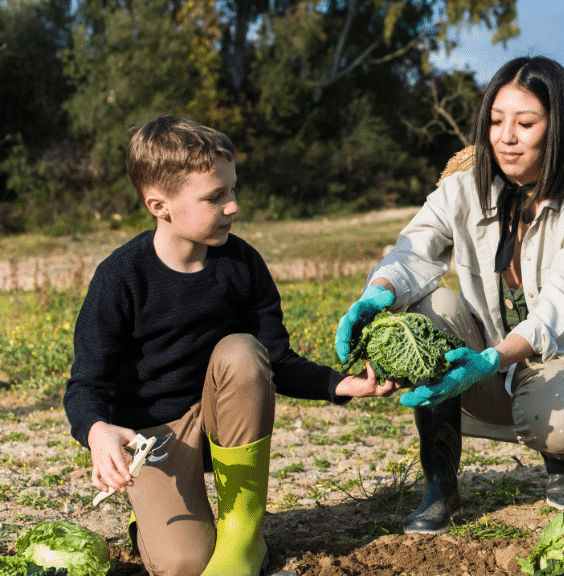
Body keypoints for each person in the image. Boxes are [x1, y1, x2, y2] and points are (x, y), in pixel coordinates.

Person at [63, 114, 398, 576]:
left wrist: (340, 385)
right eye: (215, 197)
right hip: (154, 437)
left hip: (224, 418)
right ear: (160, 205)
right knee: (185, 564)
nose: (233, 206)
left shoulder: (242, 264)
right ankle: (156, 528)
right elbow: (85, 384)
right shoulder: (121, 278)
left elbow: (274, 359)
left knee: (241, 351)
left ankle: (243, 530)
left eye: (233, 190)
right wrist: (97, 430)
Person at [335, 56, 564, 534]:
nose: (506, 137)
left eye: (525, 123)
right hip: (482, 373)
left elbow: (558, 312)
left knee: (559, 426)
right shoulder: (462, 190)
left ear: (557, 129)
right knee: (434, 307)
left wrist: (490, 360)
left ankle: (561, 460)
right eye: (495, 121)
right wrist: (378, 293)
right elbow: (414, 248)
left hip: (557, 365)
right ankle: (440, 482)